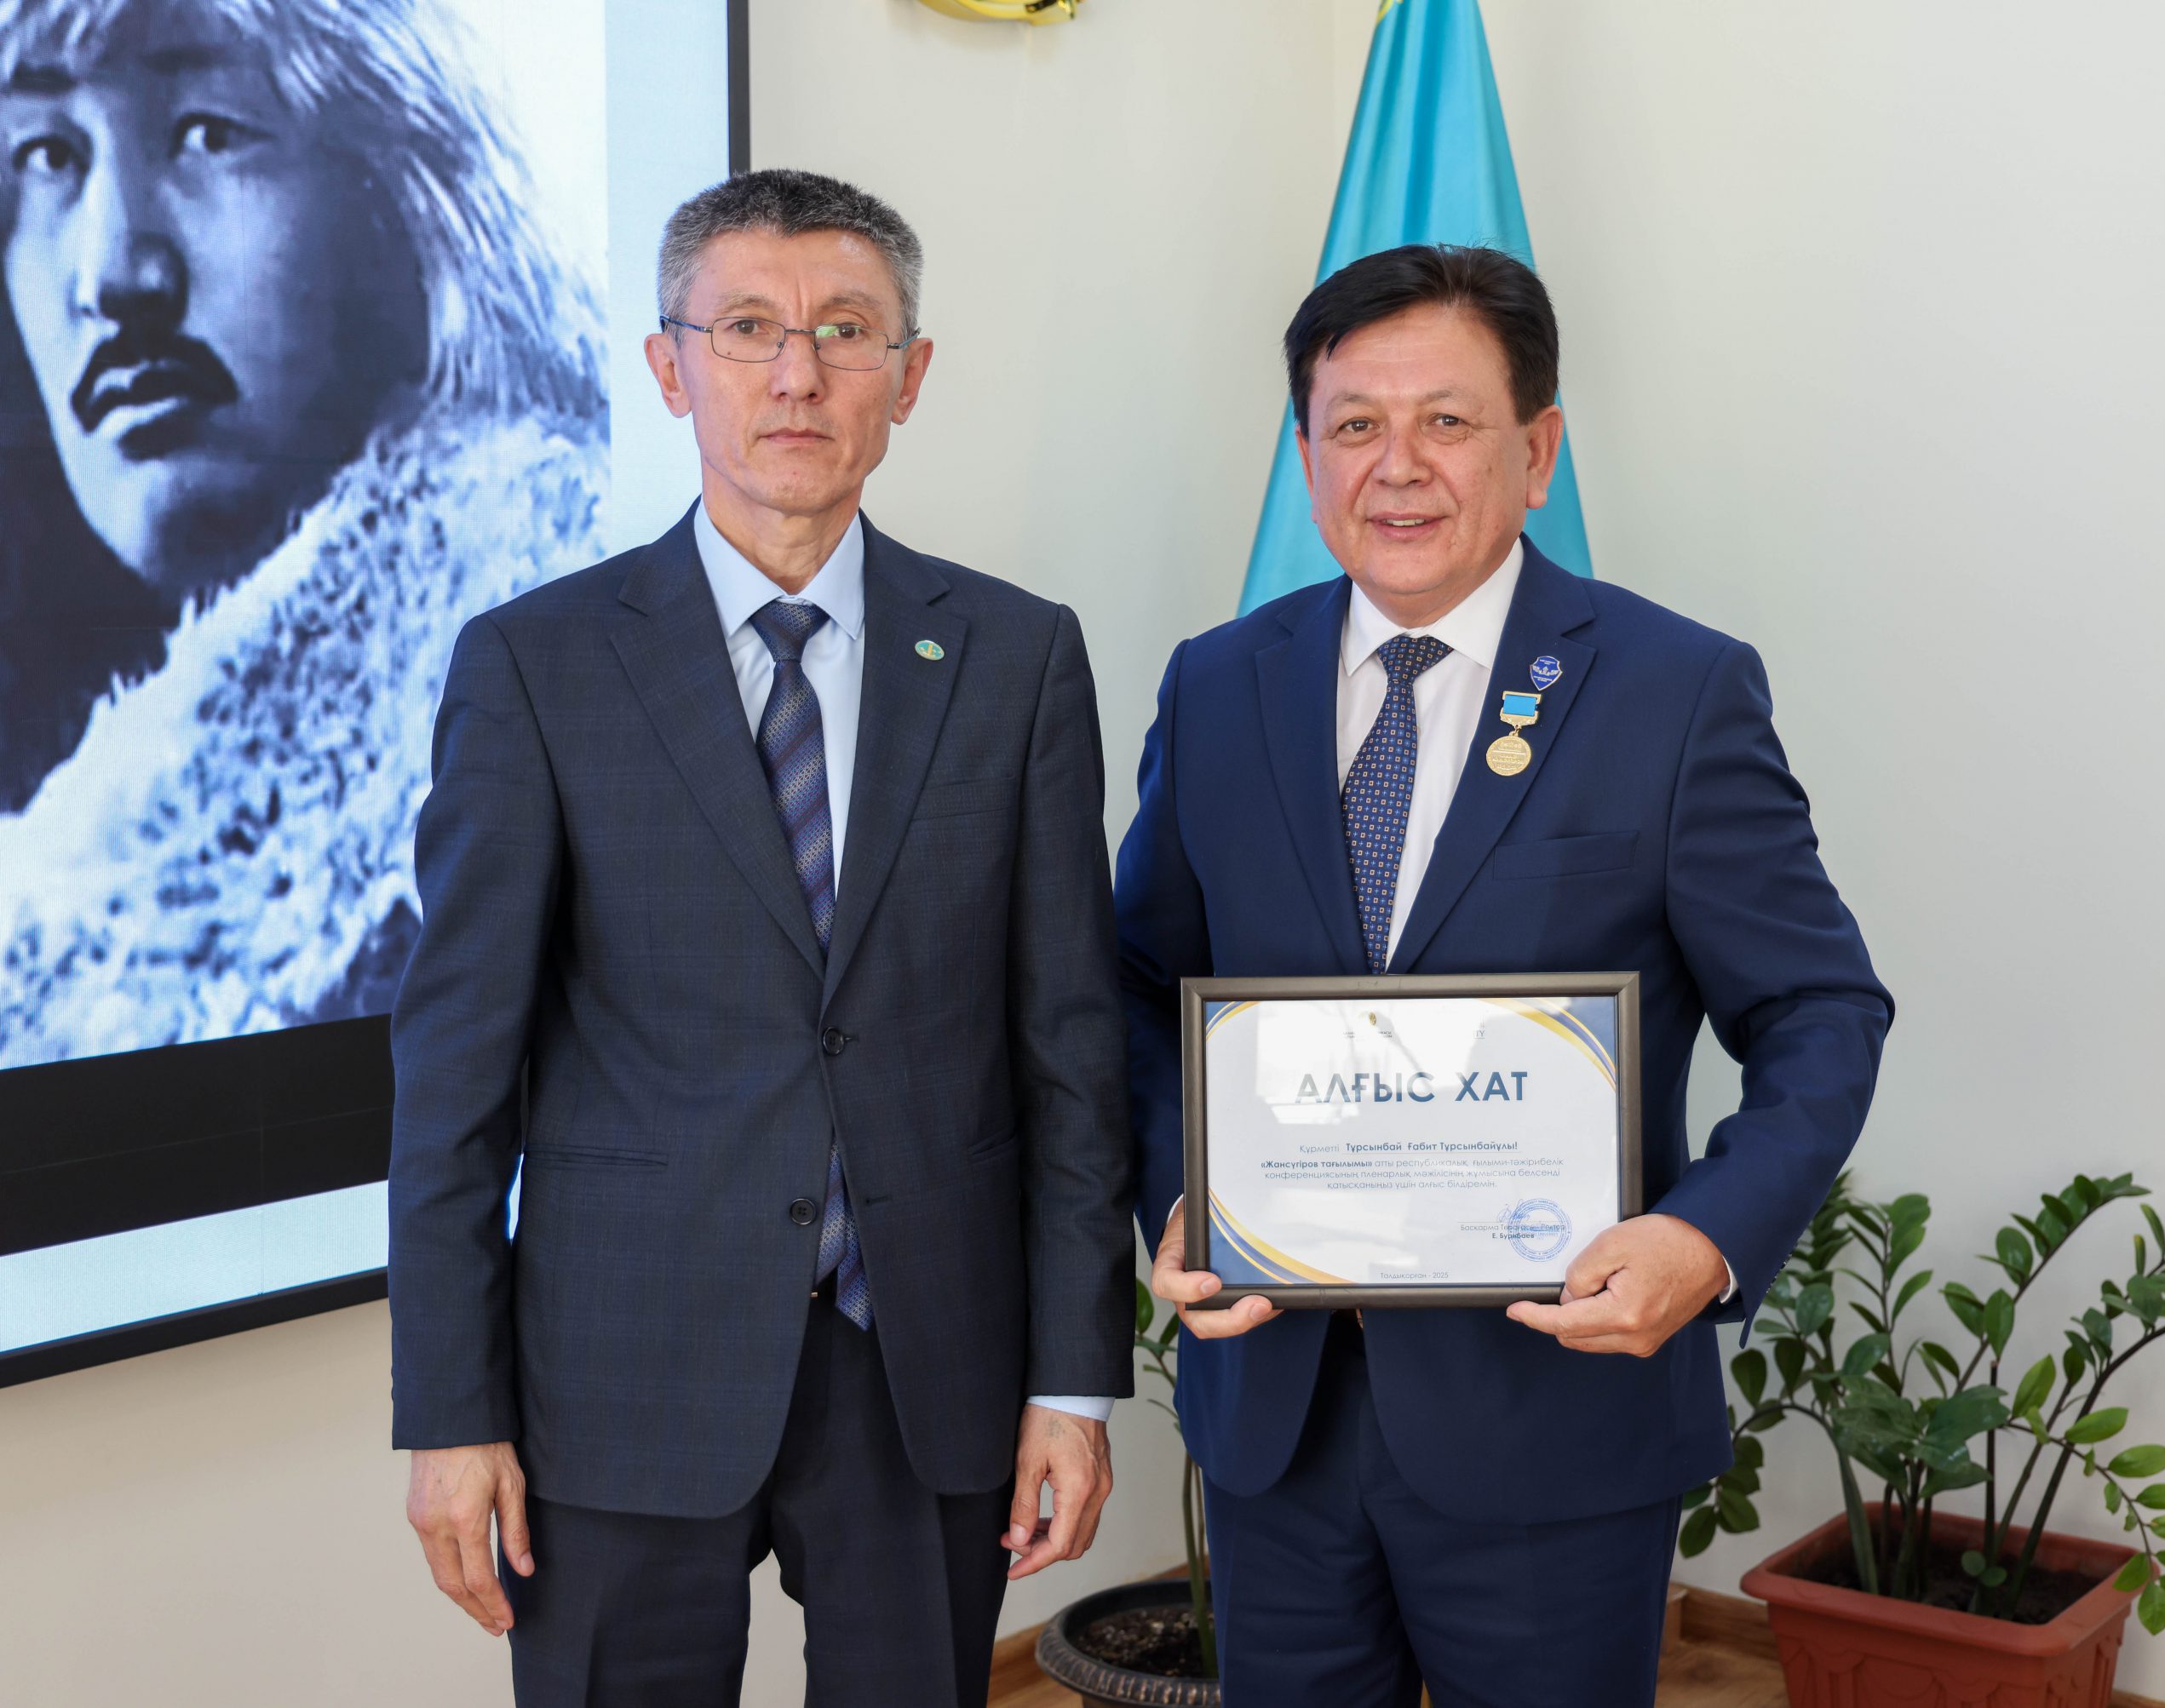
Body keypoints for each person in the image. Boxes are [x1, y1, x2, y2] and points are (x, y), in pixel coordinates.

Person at [388, 169, 1135, 1708]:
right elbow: (454, 1076)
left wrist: (1074, 1380)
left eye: (846, 330)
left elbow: (1069, 1047)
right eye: (747, 328)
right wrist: (451, 1410)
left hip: (925, 1362)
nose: (798, 373)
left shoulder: (1016, 657)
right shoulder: (536, 665)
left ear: (908, 377)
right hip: (620, 1373)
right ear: (672, 369)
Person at [1117, 244, 1892, 1706]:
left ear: (1538, 452)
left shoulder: (1674, 690)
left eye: (1448, 421)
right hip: (1276, 1417)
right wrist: (1183, 1190)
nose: (1397, 466)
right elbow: (1142, 978)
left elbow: (1819, 1012)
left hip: (1556, 1417)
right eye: (1355, 424)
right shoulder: (1216, 684)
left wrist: (1706, 1238)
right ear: (1305, 455)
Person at [0, 0, 605, 1063]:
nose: (114, 274)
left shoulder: (559, 678)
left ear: (405, 196)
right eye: (46, 155)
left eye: (207, 133)